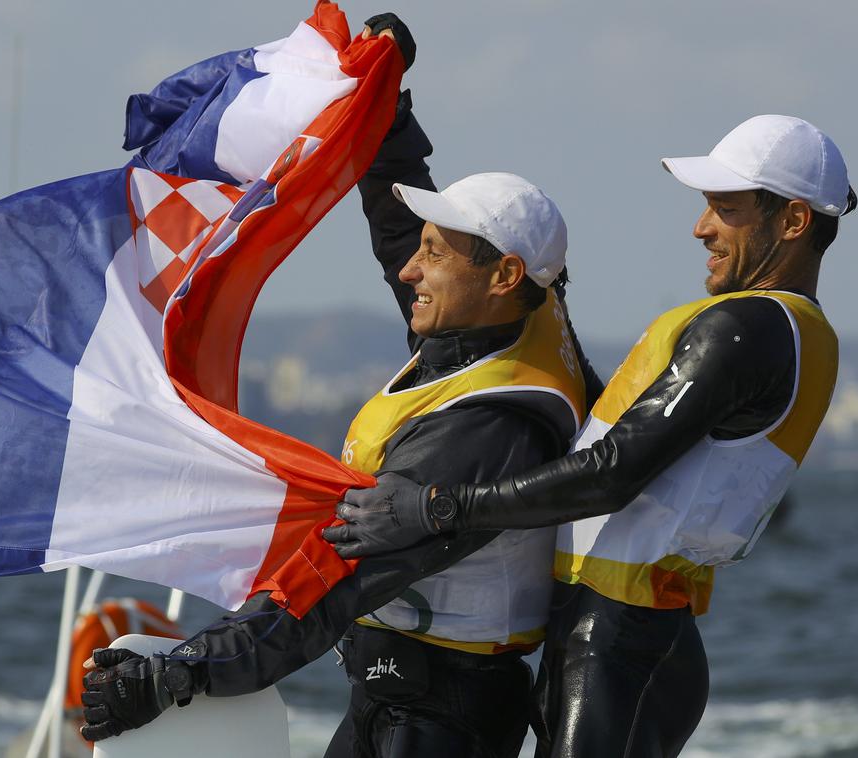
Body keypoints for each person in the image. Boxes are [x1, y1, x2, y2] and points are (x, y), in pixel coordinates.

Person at [79, 15, 602, 758]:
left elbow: (342, 577)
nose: (411, 272)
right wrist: (387, 108)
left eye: (435, 255)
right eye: (417, 254)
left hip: (440, 721)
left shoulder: (492, 421)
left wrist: (180, 676)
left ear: (505, 276)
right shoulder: (485, 334)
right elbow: (398, 227)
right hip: (396, 699)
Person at [327, 114, 857, 757]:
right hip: (605, 637)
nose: (701, 227)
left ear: (795, 221)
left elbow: (611, 472)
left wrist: (438, 508)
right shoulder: (756, 327)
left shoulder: (755, 328)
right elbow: (449, 261)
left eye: (725, 209)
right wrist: (390, 129)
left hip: (625, 645)